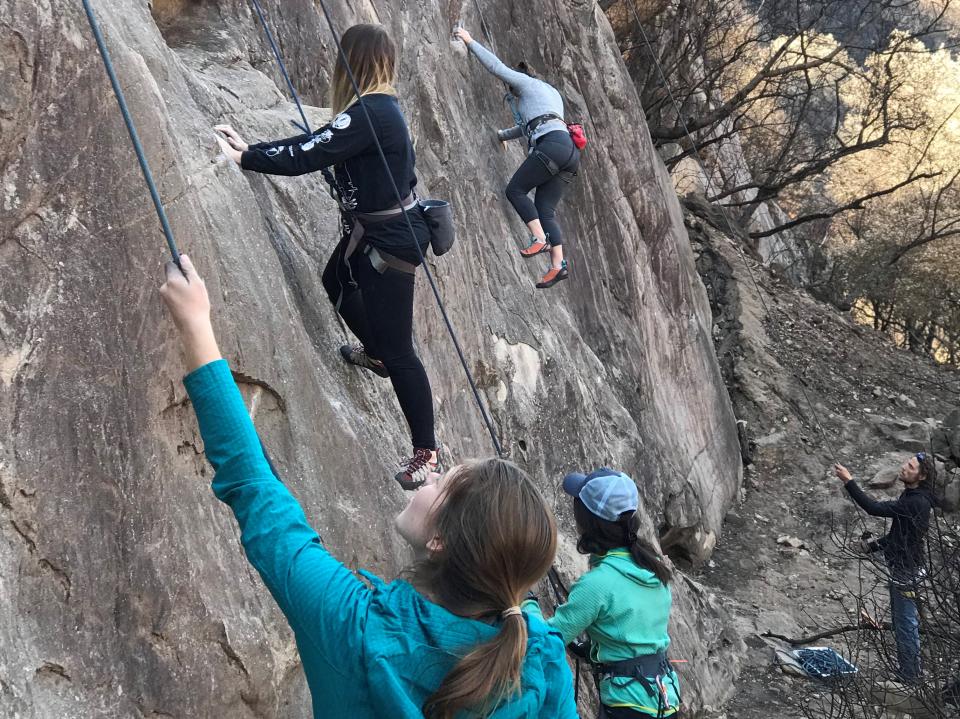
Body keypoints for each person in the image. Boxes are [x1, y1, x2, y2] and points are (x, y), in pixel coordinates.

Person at [158, 254, 578, 718]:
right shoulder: (541, 661)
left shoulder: (353, 625)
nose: (431, 476)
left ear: (439, 540)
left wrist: (197, 326)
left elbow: (256, 493)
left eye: (443, 482)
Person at [214, 24, 438, 489]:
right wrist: (253, 150)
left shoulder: (372, 113)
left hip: (390, 243)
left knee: (401, 352)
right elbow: (317, 143)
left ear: (351, 62)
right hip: (376, 234)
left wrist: (246, 158)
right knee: (335, 281)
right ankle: (373, 352)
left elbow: (307, 153)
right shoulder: (376, 111)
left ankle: (426, 453)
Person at [525, 468, 681, 718]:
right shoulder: (654, 570)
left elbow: (546, 640)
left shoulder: (597, 585)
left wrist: (527, 603)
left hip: (628, 707)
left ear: (585, 522)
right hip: (665, 699)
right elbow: (637, 635)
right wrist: (592, 651)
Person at [454, 27, 580, 289]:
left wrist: (470, 41)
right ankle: (558, 265)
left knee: (516, 190)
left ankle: (538, 239)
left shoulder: (527, 84)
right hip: (569, 151)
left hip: (552, 146)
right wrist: (501, 136)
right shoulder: (551, 94)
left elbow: (497, 68)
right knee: (546, 210)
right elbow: (531, 126)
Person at [835, 452, 938, 683]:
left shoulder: (915, 502)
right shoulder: (912, 495)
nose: (904, 468)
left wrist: (848, 481)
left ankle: (910, 675)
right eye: (907, 464)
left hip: (907, 572)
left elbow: (872, 508)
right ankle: (909, 670)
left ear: (921, 476)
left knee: (905, 623)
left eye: (910, 467)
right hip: (905, 568)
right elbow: (899, 535)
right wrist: (873, 547)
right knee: (904, 620)